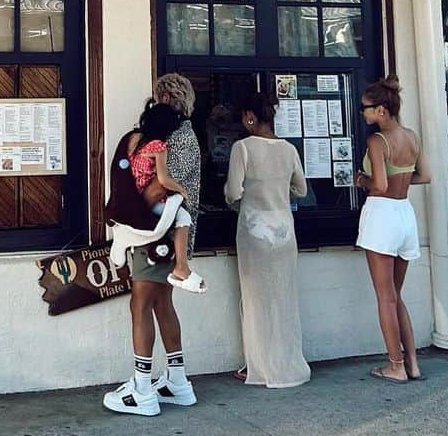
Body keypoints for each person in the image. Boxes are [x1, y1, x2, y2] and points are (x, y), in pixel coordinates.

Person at [102, 73, 202, 416]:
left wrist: (133, 215)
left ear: (165, 98)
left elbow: (161, 188)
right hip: (171, 237)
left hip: (157, 235)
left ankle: (142, 390)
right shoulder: (183, 136)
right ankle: (177, 381)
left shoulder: (175, 138)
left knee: (140, 305)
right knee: (161, 305)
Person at [224, 89, 310, 388]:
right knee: (284, 298)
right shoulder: (289, 150)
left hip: (254, 231)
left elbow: (233, 192)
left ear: (250, 117)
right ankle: (287, 363)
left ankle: (258, 366)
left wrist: (235, 199)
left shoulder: (242, 149)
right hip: (285, 232)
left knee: (256, 300)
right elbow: (301, 190)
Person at [354, 76, 432, 382]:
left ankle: (395, 365)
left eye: (367, 109)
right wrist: (401, 184)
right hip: (405, 213)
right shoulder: (411, 137)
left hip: (382, 215)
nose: (363, 113)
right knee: (396, 295)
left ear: (382, 110)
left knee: (385, 297)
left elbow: (380, 184)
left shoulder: (377, 141)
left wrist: (361, 180)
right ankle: (412, 362)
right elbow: (424, 176)